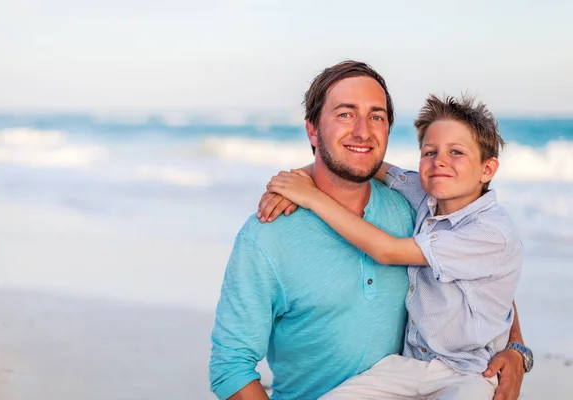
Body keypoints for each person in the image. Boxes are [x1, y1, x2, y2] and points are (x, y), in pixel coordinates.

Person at [210, 60, 527, 400]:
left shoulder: (413, 209)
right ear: (313, 131)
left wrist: (517, 349)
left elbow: (482, 285)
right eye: (346, 114)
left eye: (376, 116)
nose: (363, 131)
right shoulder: (267, 234)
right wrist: (301, 180)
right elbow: (231, 368)